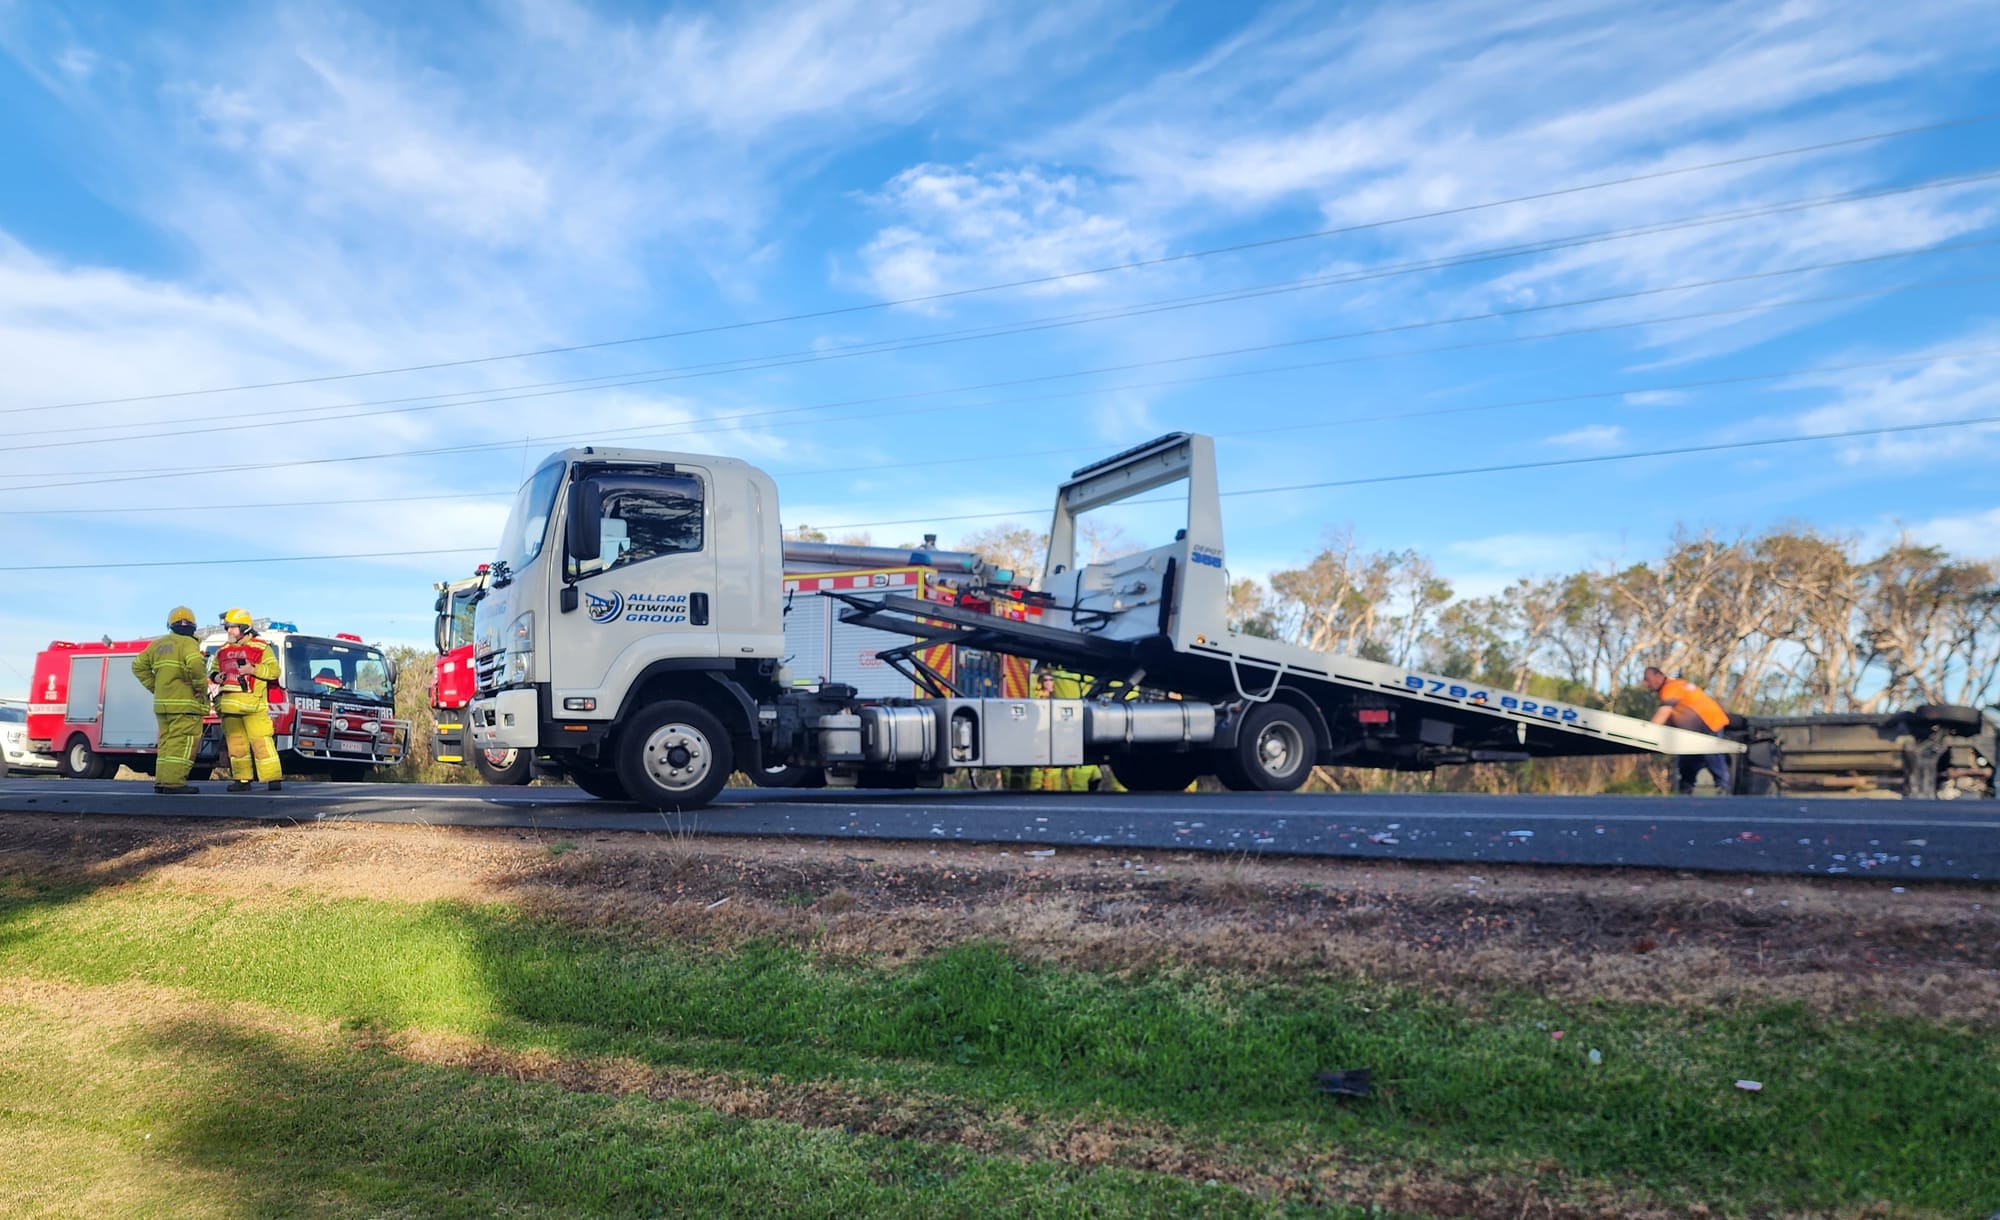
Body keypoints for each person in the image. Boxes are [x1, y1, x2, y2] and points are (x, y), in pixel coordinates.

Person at [130, 605, 209, 794]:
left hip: (163, 705)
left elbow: (137, 666)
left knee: (166, 743)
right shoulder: (188, 643)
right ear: (193, 626)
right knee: (182, 743)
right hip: (185, 704)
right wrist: (201, 687)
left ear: (170, 625)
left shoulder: (157, 644)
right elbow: (196, 665)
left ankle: (163, 782)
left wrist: (156, 687)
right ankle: (174, 783)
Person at [211, 608, 284, 792]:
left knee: (262, 743)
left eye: (232, 627)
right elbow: (212, 671)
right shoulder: (222, 651)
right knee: (236, 747)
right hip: (229, 707)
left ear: (244, 628)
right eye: (228, 627)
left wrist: (254, 670)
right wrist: (216, 676)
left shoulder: (261, 647)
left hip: (254, 707)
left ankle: (272, 779)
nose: (229, 631)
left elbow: (275, 672)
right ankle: (242, 781)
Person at [1643, 665, 1732, 795]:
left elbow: (1664, 712)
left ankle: (1723, 788)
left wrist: (1646, 733)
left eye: (1648, 680)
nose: (1646, 684)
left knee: (1711, 753)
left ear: (1659, 676)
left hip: (1709, 723)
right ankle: (1686, 788)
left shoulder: (1670, 687)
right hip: (1697, 728)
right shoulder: (1675, 686)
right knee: (1688, 757)